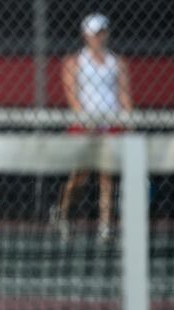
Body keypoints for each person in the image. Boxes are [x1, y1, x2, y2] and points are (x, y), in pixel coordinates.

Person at [52, 13, 132, 242]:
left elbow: (124, 95)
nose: (99, 37)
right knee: (80, 176)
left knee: (107, 176)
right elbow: (72, 95)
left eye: (102, 32)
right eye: (95, 33)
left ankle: (105, 227)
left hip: (111, 125)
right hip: (84, 126)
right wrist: (84, 120)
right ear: (85, 36)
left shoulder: (118, 63)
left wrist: (128, 120)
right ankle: (61, 213)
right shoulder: (74, 62)